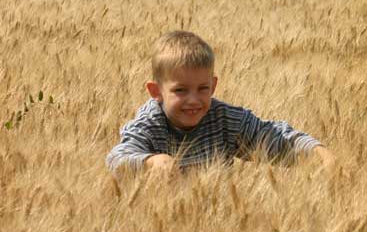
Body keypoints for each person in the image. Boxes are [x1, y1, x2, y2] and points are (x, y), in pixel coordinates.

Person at [106, 30, 335, 175]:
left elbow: (275, 138)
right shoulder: (149, 124)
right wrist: (150, 162)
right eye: (180, 90)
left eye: (203, 88)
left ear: (213, 86)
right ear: (156, 91)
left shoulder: (224, 119)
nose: (193, 100)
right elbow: (116, 159)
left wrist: (321, 156)